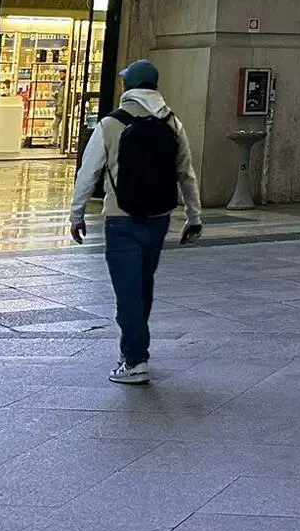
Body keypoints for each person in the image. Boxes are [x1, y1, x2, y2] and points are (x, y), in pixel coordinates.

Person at [69, 59, 203, 385]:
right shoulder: (173, 124)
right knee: (143, 285)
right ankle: (134, 351)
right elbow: (185, 174)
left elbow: (88, 174)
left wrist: (77, 214)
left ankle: (134, 358)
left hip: (121, 219)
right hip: (158, 219)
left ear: (129, 86)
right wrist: (193, 216)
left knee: (127, 291)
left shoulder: (110, 124)